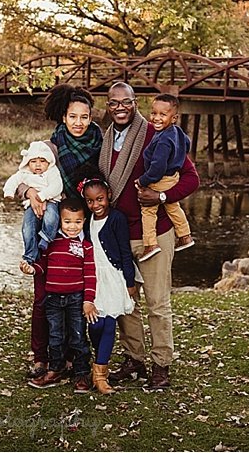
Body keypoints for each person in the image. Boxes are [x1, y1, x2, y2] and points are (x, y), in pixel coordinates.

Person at [98, 82, 200, 389]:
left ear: (135, 104)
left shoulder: (157, 135)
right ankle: (135, 359)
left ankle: (161, 366)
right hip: (117, 234)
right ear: (108, 105)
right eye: (114, 102)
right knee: (126, 303)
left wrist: (162, 198)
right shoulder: (105, 141)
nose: (120, 108)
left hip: (154, 233)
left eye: (126, 102)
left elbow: (191, 178)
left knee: (157, 303)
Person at [15, 84, 102, 380]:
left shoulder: (99, 142)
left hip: (83, 226)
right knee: (44, 296)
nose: (79, 122)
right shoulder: (51, 146)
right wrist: (30, 191)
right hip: (52, 229)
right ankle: (41, 356)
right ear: (63, 117)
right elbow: (24, 176)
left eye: (84, 117)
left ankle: (70, 357)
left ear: (91, 118)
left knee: (77, 296)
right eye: (73, 116)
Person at [20, 197, 97, 393]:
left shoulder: (86, 247)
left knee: (78, 336)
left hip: (76, 298)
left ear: (84, 221)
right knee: (55, 336)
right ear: (59, 221)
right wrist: (31, 269)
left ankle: (81, 373)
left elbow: (90, 274)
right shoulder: (51, 243)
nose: (72, 227)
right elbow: (42, 266)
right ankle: (55, 369)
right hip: (53, 299)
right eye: (67, 222)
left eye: (78, 222)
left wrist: (88, 300)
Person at [78, 172, 136, 394]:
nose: (96, 205)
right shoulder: (86, 221)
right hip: (94, 278)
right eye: (90, 201)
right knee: (96, 324)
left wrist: (129, 282)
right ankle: (98, 356)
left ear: (108, 195)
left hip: (113, 276)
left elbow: (124, 252)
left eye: (100, 199)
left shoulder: (117, 219)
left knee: (109, 322)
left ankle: (100, 375)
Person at [135, 93, 195, 262]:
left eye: (163, 114)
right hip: (172, 176)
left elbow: (157, 168)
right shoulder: (176, 132)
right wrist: (178, 157)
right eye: (154, 113)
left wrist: (143, 181)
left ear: (174, 117)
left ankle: (150, 244)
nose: (156, 118)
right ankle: (185, 236)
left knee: (148, 210)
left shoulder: (163, 141)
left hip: (161, 179)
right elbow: (187, 143)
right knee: (173, 207)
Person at [3, 140, 63, 265]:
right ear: (28, 163)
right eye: (33, 161)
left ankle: (46, 238)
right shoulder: (24, 173)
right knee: (27, 227)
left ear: (49, 162)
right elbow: (13, 181)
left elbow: (57, 186)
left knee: (51, 217)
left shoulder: (52, 171)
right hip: (31, 204)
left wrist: (42, 196)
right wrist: (9, 192)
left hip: (51, 200)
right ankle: (30, 254)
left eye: (42, 161)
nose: (38, 165)